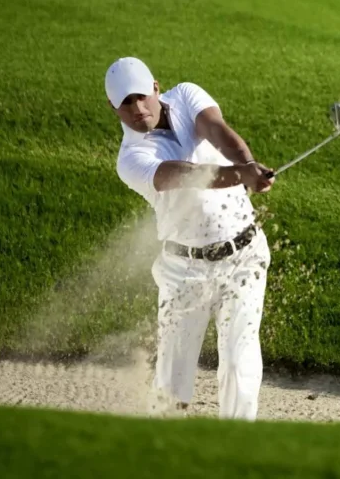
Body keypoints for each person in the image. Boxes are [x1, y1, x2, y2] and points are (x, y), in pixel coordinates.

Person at [105, 56, 274, 420]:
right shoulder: (131, 157)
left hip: (244, 256)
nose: (137, 108)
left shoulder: (186, 95)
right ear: (113, 108)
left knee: (239, 363)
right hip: (184, 272)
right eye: (125, 103)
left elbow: (217, 130)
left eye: (140, 96)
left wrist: (248, 164)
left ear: (156, 87)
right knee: (172, 381)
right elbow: (184, 174)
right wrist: (240, 175)